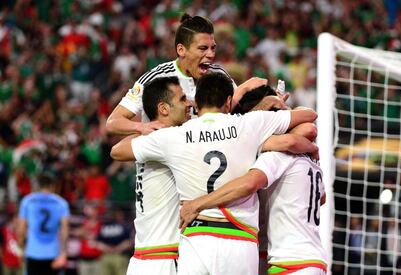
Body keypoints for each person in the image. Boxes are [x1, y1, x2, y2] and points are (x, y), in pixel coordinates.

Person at [111, 72, 317, 274]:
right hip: (239, 240)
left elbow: (117, 151)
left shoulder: (174, 136)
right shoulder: (249, 125)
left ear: (197, 106)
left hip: (195, 240)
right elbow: (309, 118)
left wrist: (147, 127)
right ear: (228, 102)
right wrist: (276, 108)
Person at [106, 13, 274, 135]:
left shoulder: (218, 74)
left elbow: (232, 114)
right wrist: (141, 127)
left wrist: (264, 101)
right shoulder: (156, 78)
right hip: (161, 177)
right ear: (181, 49)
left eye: (213, 47)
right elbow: (113, 123)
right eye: (203, 48)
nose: (210, 54)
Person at [179, 151, 327, 275]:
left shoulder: (279, 156)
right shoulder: (313, 164)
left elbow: (249, 184)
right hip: (314, 257)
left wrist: (197, 204)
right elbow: (322, 198)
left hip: (291, 260)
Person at [112, 76, 192, 275]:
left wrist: (141, 129)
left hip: (141, 258)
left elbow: (116, 150)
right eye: (182, 99)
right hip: (167, 259)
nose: (189, 103)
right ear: (164, 108)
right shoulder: (170, 139)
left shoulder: (150, 141)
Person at [16, 172, 70, 275]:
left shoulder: (27, 201)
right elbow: (65, 230)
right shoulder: (61, 203)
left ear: (38, 185)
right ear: (52, 186)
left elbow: (21, 229)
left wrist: (20, 248)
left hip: (33, 252)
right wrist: (63, 253)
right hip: (53, 253)